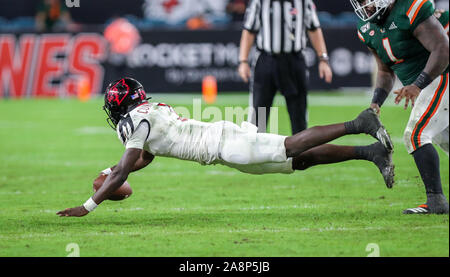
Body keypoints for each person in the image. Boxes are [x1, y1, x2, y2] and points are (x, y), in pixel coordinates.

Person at [57, 77, 394, 217]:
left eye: (114, 107)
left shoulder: (133, 121)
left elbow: (128, 165)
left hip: (226, 145)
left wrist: (88, 205)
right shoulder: (151, 110)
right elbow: (145, 156)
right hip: (223, 146)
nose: (113, 113)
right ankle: (370, 153)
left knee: (291, 147)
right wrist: (114, 171)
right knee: (298, 162)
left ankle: (359, 123)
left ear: (122, 105)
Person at [350, 0, 449, 214]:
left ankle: (436, 202)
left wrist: (417, 84)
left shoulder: (410, 9)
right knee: (446, 140)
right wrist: (375, 104)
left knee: (416, 135)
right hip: (428, 81)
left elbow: (442, 48)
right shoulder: (367, 28)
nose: (364, 6)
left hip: (442, 73)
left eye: (367, 0)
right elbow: (385, 71)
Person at [238, 0, 333, 135]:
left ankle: (300, 155)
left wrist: (323, 59)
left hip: (294, 60)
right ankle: (254, 153)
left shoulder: (303, 2)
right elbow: (249, 30)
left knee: (299, 117)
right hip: (266, 60)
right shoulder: (260, 2)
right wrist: (243, 61)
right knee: (258, 118)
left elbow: (314, 28)